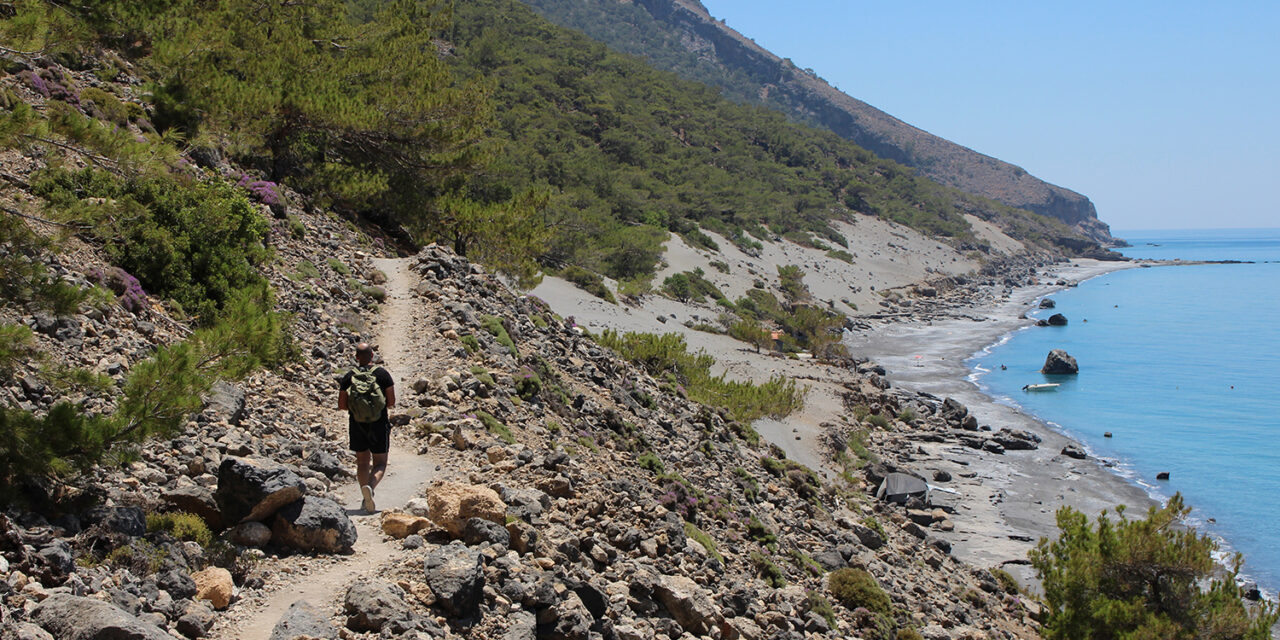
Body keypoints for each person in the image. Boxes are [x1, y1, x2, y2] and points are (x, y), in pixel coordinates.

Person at [337, 342, 395, 512]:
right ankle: (370, 488)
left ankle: (365, 496)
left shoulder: (349, 377)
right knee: (380, 463)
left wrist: (358, 408)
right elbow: (391, 402)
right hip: (379, 423)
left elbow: (341, 405)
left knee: (362, 462)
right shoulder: (382, 374)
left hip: (357, 424)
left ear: (356, 357)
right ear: (372, 355)